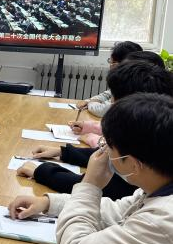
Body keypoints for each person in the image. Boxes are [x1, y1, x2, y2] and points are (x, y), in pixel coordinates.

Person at [8, 93, 173, 244]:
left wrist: (90, 184)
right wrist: (50, 202)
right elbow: (116, 211)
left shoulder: (163, 224)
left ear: (134, 164)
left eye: (108, 148)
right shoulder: (158, 186)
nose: (103, 152)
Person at [18, 60, 173, 199]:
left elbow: (98, 187)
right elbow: (107, 156)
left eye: (114, 101)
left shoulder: (140, 173)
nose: (111, 105)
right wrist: (63, 152)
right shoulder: (154, 132)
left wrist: (42, 172)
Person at [69, 51, 167, 146]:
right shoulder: (148, 109)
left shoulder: (155, 123)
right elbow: (119, 130)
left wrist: (96, 140)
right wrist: (89, 127)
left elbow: (122, 149)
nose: (112, 101)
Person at [76, 41, 142, 117]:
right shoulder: (134, 76)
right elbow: (108, 94)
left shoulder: (133, 82)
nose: (110, 65)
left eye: (112, 62)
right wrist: (89, 101)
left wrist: (90, 103)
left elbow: (104, 110)